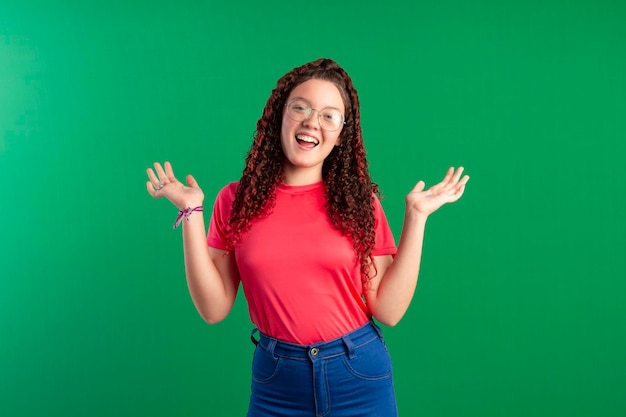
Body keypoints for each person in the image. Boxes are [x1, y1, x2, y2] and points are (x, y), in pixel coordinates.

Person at [146, 58, 469, 417]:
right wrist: (191, 212)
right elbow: (213, 308)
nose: (312, 121)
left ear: (342, 132)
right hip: (277, 380)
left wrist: (417, 217)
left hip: (357, 373)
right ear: (278, 116)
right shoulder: (235, 201)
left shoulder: (358, 203)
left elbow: (389, 311)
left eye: (329, 115)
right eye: (300, 107)